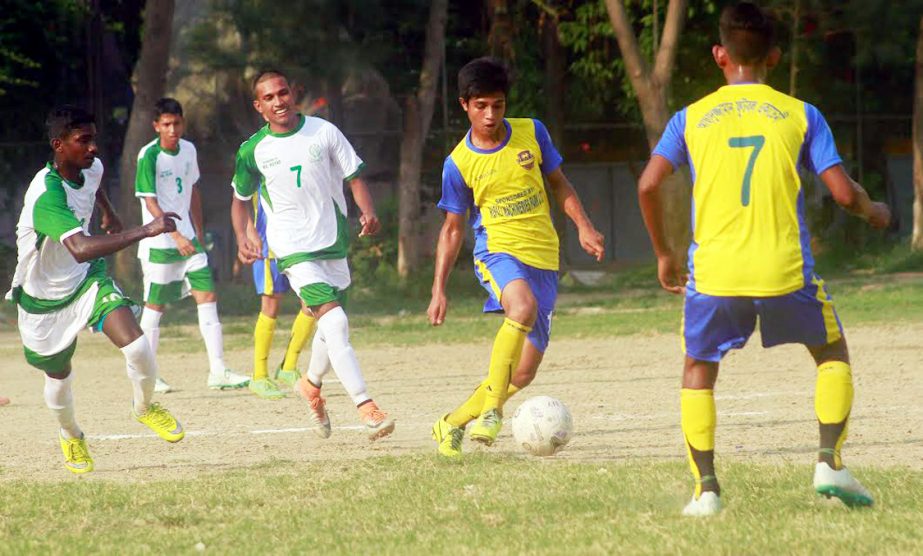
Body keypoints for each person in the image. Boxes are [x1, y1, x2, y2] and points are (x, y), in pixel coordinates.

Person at [637, 2, 891, 517]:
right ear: (773, 56)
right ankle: (828, 461)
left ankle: (706, 490)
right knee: (832, 354)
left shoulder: (690, 119)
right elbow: (842, 194)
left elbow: (648, 183)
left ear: (718, 55)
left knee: (698, 369)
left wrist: (664, 253)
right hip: (784, 270)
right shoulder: (801, 114)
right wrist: (874, 211)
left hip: (715, 274)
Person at [427, 57, 605, 458]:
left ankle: (450, 423)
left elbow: (559, 183)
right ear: (464, 105)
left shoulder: (532, 133)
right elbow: (453, 228)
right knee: (520, 307)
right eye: (481, 106)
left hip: (544, 257)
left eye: (498, 105)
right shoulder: (458, 163)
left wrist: (583, 225)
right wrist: (438, 289)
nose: (490, 115)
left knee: (522, 373)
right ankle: (492, 412)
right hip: (497, 252)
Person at [6, 105, 185, 474]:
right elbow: (80, 246)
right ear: (59, 145)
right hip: (43, 300)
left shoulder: (92, 167)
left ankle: (144, 407)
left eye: (94, 140)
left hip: (87, 279)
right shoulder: (46, 195)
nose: (93, 148)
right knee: (58, 379)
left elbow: (93, 187)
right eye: (83, 141)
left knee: (137, 345)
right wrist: (145, 229)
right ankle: (70, 434)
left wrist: (108, 211)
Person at [230, 69, 395, 440]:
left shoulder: (324, 132)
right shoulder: (253, 150)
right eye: (268, 98)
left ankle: (310, 383)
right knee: (335, 324)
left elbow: (354, 177)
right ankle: (366, 406)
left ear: (293, 94)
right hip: (291, 249)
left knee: (330, 325)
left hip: (333, 243)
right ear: (259, 106)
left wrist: (368, 211)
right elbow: (240, 203)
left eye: (282, 93)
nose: (278, 101)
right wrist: (245, 234)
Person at [135, 97, 250, 393]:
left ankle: (218, 370)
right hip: (160, 242)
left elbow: (193, 191)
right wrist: (176, 236)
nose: (173, 129)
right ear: (156, 126)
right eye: (167, 124)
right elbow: (150, 201)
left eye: (177, 123)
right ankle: (147, 375)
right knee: (156, 305)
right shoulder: (148, 156)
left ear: (183, 123)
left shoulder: (189, 149)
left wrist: (196, 231)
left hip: (190, 240)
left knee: (208, 296)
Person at [247, 195, 317, 400]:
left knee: (311, 302)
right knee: (270, 306)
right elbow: (239, 200)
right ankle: (259, 376)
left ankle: (289, 366)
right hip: (268, 246)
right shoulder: (254, 163)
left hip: (298, 243)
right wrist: (248, 232)